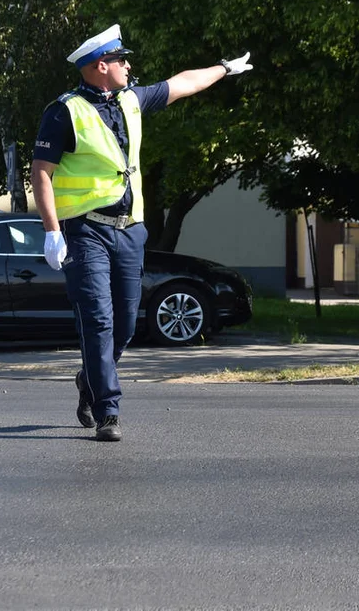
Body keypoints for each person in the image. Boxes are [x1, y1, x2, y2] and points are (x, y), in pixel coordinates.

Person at [30, 24, 252, 441]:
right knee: (97, 321)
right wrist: (52, 232)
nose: (129, 66)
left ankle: (90, 379)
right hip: (85, 231)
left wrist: (223, 68)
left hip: (130, 231)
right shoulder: (65, 111)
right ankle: (107, 410)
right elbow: (41, 173)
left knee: (127, 323)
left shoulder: (130, 100)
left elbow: (182, 84)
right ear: (101, 66)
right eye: (121, 60)